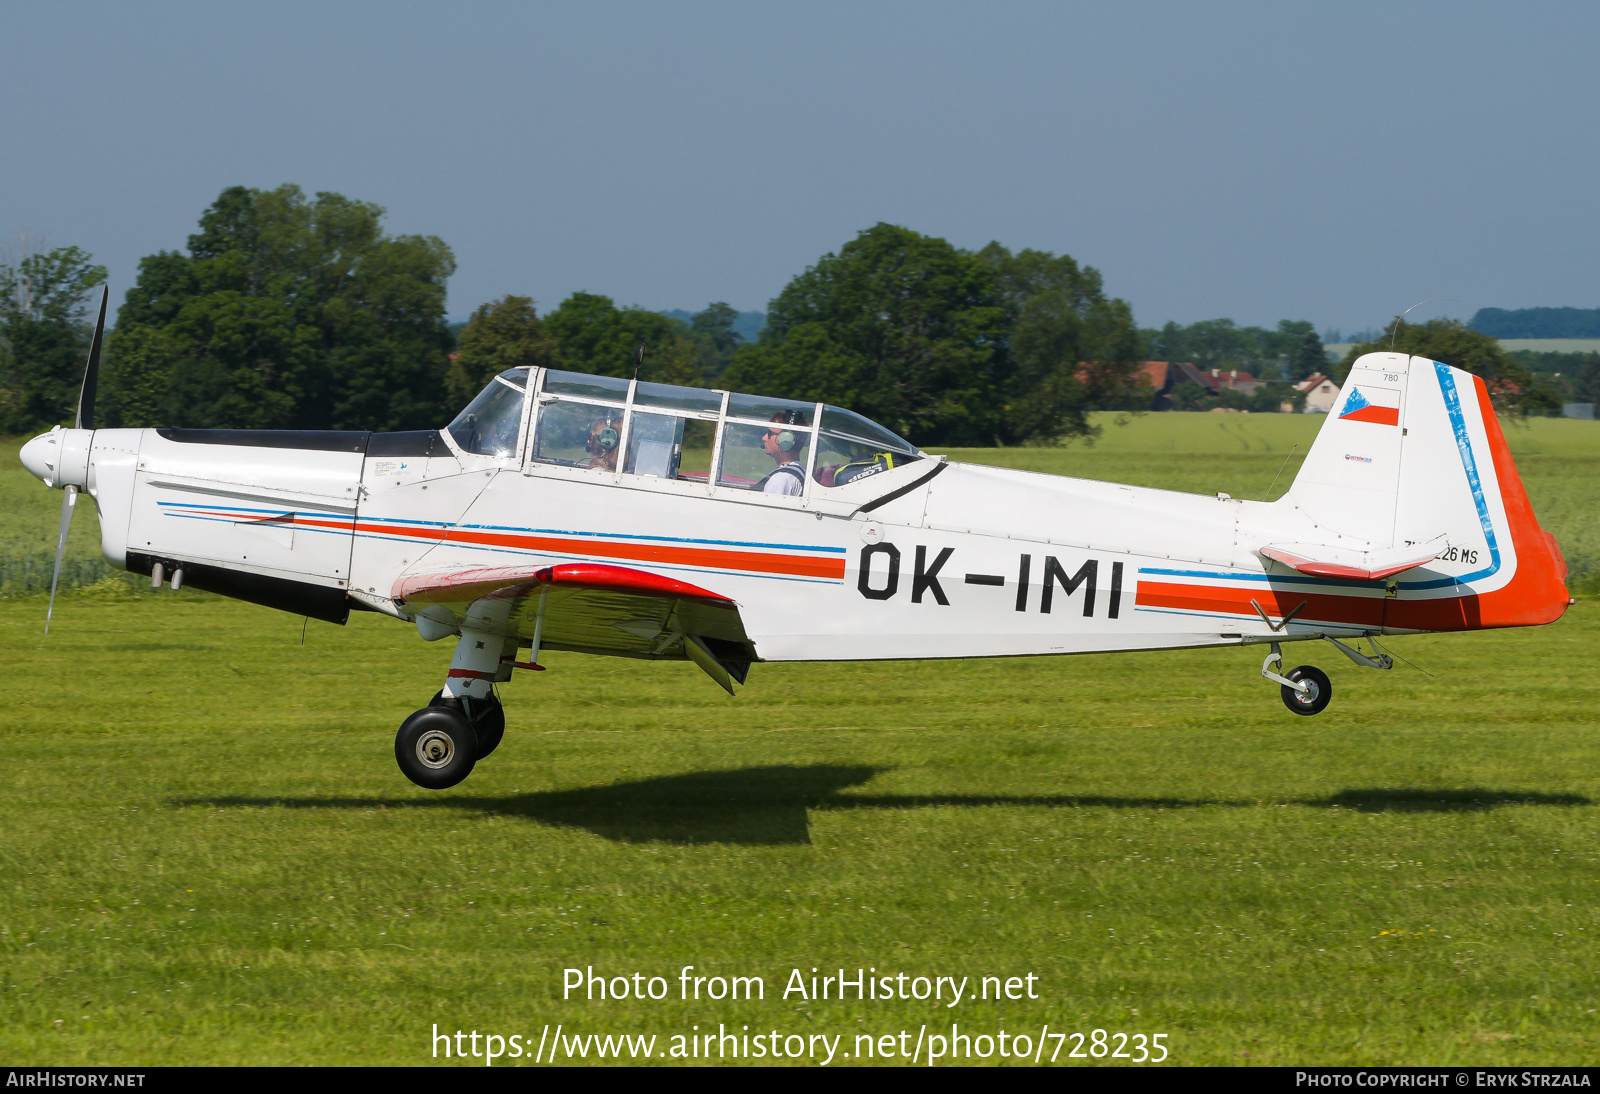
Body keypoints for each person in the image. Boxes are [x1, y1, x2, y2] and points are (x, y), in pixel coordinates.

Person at [757, 411, 805, 495]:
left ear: (786, 439)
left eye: (769, 434)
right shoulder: (798, 471)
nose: (764, 438)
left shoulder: (780, 479)